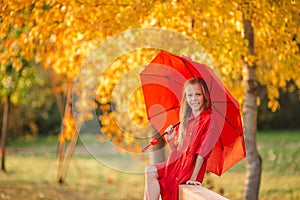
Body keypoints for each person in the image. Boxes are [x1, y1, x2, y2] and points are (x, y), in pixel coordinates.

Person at [144, 77, 220, 200]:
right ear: (186, 97)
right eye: (189, 95)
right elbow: (178, 150)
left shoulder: (209, 120)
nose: (193, 99)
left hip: (189, 169)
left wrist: (194, 178)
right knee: (150, 171)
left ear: (205, 96)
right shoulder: (185, 120)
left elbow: (202, 152)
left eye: (198, 94)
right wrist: (170, 140)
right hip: (175, 165)